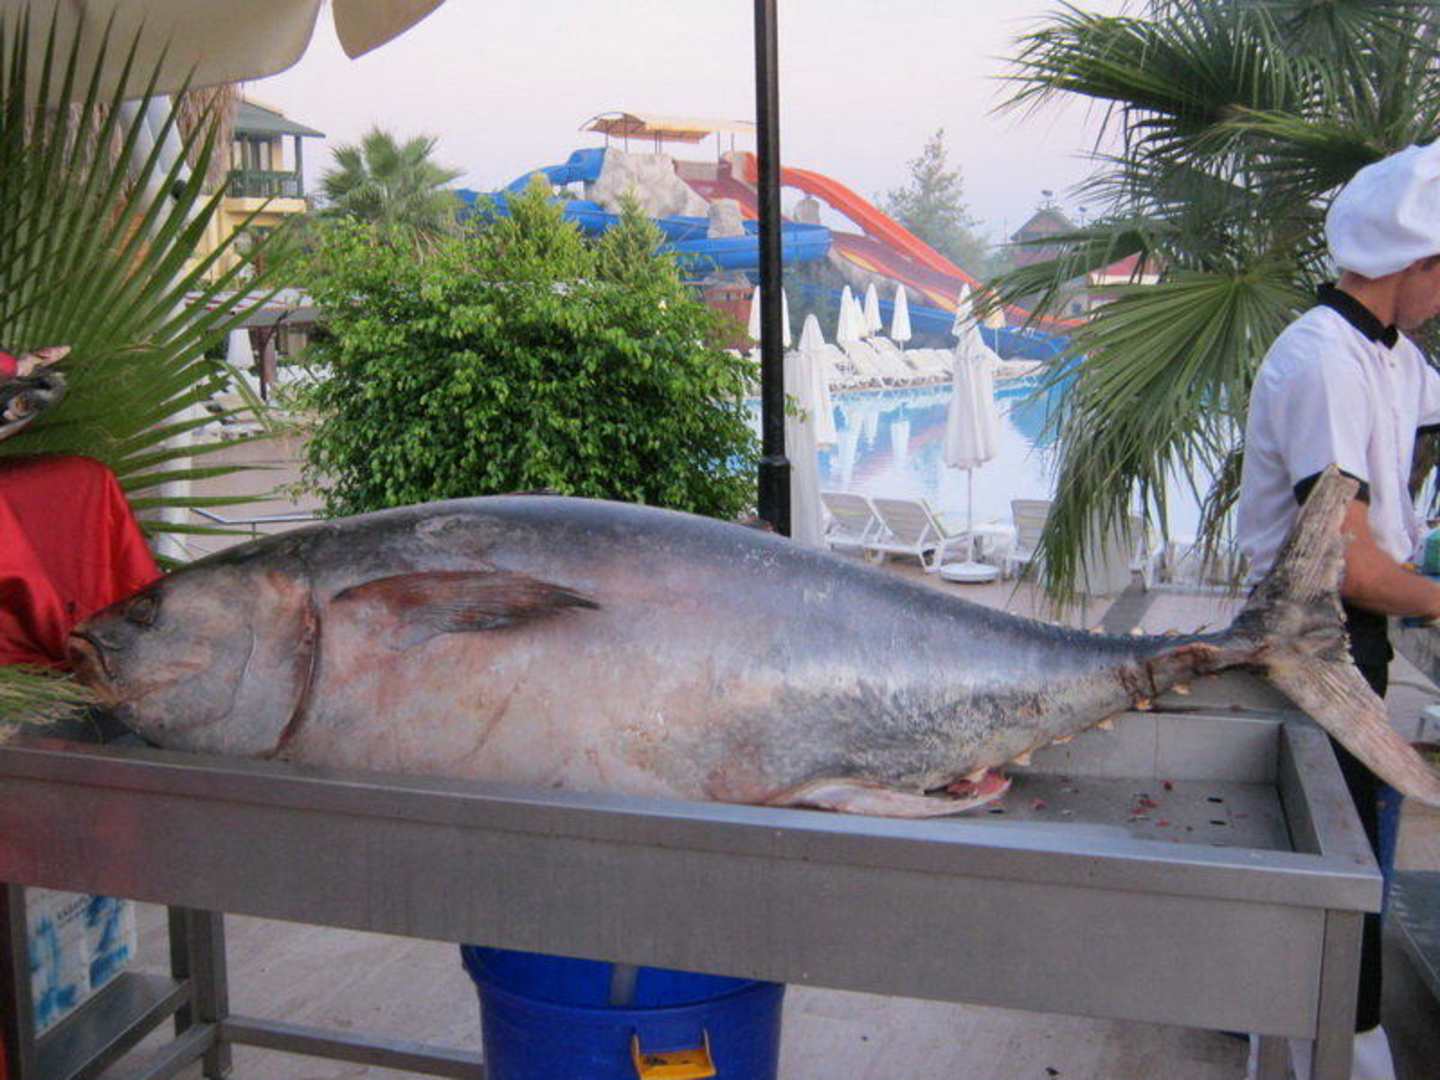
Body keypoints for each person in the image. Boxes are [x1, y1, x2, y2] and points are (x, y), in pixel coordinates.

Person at [1236, 141, 1440, 1079]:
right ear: (1415, 262)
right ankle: (1343, 1043)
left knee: (1349, 865)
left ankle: (1296, 1032)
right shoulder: (1322, 360)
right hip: (1310, 639)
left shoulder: (1392, 357)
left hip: (1361, 640)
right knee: (1338, 894)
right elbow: (1347, 565)